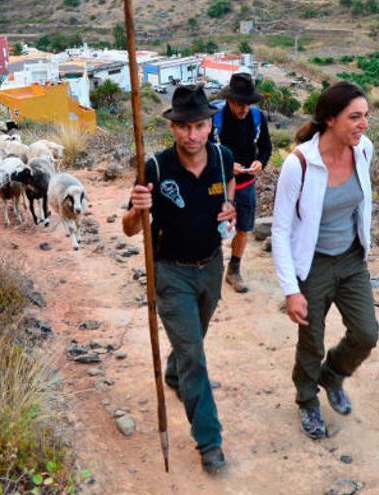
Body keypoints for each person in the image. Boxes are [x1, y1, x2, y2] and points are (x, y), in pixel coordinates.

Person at [122, 84, 237, 473]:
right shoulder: (154, 167)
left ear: (209, 125)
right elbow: (128, 230)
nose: (193, 135)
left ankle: (174, 373)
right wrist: (138, 210)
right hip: (170, 272)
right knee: (194, 354)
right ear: (173, 128)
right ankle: (209, 441)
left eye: (200, 126)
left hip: (211, 266)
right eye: (185, 127)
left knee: (193, 341)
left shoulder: (223, 159)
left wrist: (230, 213)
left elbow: (229, 204)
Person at [271, 82, 379, 439]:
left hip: (351, 259)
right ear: (330, 119)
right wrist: (291, 289)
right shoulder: (299, 163)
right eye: (355, 117)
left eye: (365, 115)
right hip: (313, 264)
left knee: (366, 333)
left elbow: (360, 206)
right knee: (311, 342)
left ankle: (332, 376)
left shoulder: (363, 151)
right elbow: (281, 230)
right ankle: (306, 400)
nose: (363, 124)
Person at [210, 73, 273, 293]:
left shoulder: (257, 117)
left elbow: (266, 148)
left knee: (244, 228)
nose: (244, 108)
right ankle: (209, 268)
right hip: (216, 186)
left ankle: (234, 269)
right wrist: (227, 166)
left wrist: (260, 162)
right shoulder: (214, 118)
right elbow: (202, 152)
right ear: (229, 99)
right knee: (211, 228)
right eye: (239, 103)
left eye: (248, 103)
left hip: (245, 184)